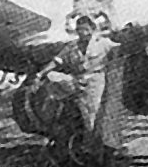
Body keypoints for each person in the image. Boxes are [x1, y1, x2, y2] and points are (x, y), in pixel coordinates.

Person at [35, 15, 119, 149]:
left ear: (92, 30)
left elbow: (119, 49)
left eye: (85, 29)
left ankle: (92, 145)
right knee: (52, 77)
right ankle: (55, 116)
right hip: (77, 79)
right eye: (79, 30)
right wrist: (41, 73)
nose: (82, 33)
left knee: (92, 116)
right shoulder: (72, 46)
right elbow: (57, 61)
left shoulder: (103, 43)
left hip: (95, 82)